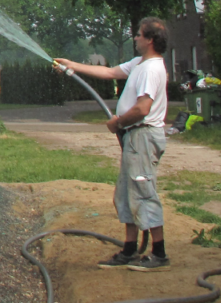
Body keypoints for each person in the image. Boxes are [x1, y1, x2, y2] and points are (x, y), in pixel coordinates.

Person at [54, 17, 171, 271]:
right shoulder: (140, 63)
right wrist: (70, 65)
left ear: (150, 39)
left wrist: (117, 122)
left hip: (142, 134)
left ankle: (159, 253)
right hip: (133, 136)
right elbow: (109, 72)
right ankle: (129, 250)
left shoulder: (151, 69)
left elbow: (142, 109)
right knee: (127, 193)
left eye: (139, 35)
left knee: (143, 191)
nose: (136, 38)